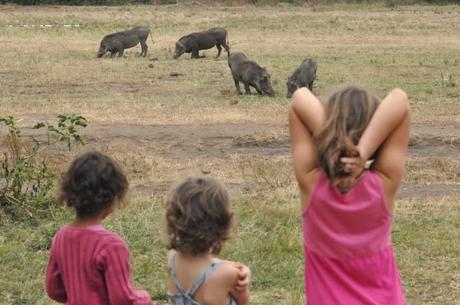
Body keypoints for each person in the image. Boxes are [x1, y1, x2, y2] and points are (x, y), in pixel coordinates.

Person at [289, 86, 410, 305]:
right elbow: (400, 100)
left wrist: (334, 144)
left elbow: (299, 97)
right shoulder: (384, 184)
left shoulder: (311, 183)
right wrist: (360, 153)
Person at [45, 151, 151, 305]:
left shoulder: (60, 237)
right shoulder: (112, 246)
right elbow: (122, 299)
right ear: (111, 199)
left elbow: (54, 289)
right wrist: (143, 297)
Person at [165, 176, 251, 305]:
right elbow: (243, 302)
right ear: (222, 222)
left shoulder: (172, 259)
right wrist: (242, 276)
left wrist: (238, 267)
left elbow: (204, 265)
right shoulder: (228, 274)